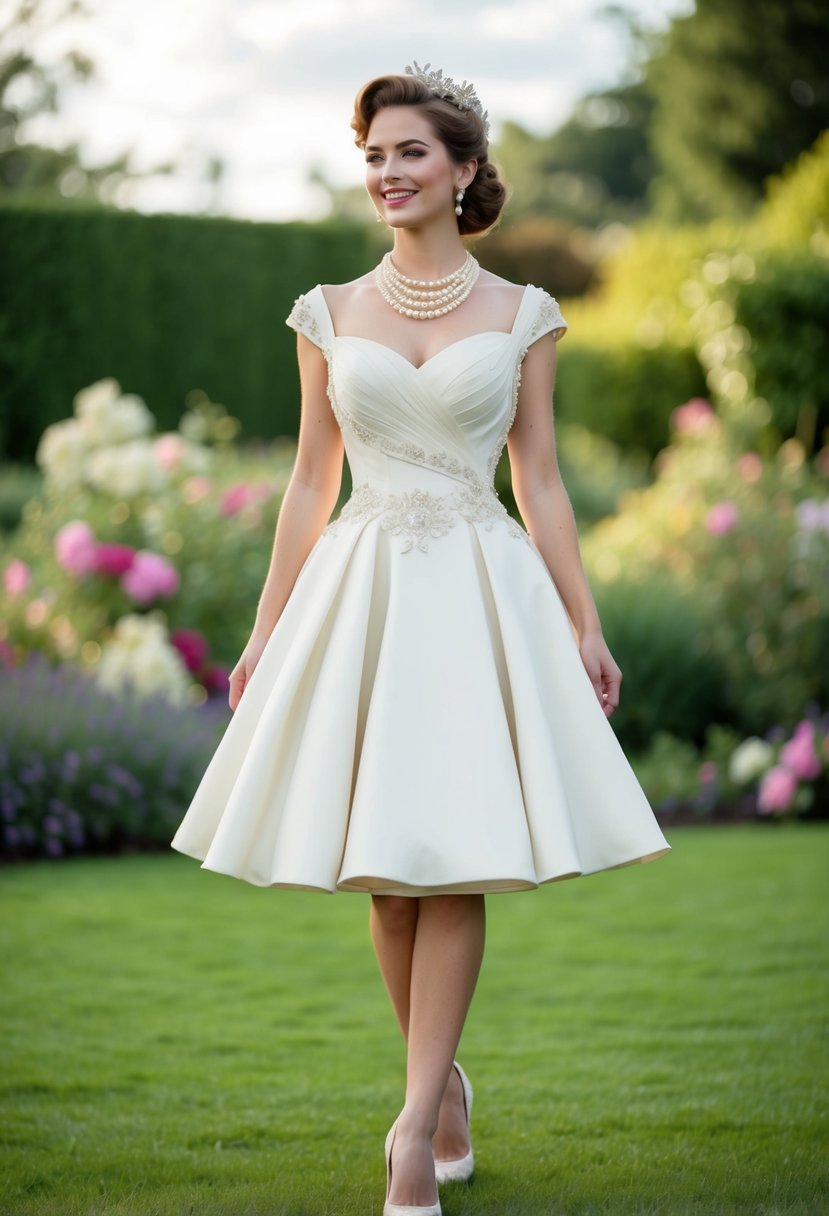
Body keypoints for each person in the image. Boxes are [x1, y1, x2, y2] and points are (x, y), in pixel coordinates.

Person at [171, 62, 671, 1216]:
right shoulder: (325, 310)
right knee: (386, 884)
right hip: (365, 590)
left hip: (479, 592)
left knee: (452, 857)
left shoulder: (523, 314)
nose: (386, 174)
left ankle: (408, 1134)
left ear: (460, 169)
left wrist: (584, 621)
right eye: (373, 157)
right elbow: (308, 482)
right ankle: (440, 1087)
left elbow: (539, 480)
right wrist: (265, 625)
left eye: (407, 154)